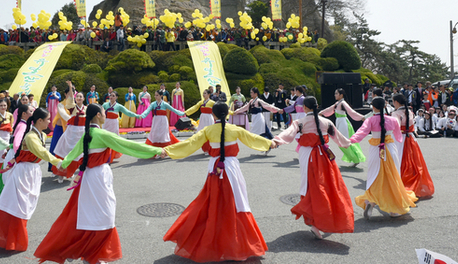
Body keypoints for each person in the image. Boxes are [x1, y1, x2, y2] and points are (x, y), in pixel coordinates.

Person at [34, 103, 162, 264]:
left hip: (88, 178)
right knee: (104, 217)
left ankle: (86, 253)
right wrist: (156, 150)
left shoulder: (87, 134)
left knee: (90, 217)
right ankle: (91, 254)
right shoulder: (102, 134)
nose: (105, 114)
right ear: (98, 116)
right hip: (99, 178)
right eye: (103, 112)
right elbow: (129, 146)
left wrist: (58, 163)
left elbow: (69, 158)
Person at [163, 102, 274, 261]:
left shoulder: (208, 130)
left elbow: (190, 144)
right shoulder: (234, 129)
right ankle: (239, 246)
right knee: (236, 204)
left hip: (215, 170)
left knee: (212, 203)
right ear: (227, 114)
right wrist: (270, 142)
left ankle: (211, 243)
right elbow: (253, 139)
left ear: (213, 115)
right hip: (232, 170)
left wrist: (167, 151)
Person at [0, 108, 62, 251]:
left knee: (25, 204)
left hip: (32, 171)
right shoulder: (31, 136)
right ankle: (15, 239)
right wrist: (58, 162)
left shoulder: (41, 135)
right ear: (39, 120)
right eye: (48, 119)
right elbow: (42, 152)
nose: (50, 121)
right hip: (23, 172)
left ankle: (9, 235)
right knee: (19, 206)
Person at [273, 96, 354, 239]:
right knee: (326, 185)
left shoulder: (300, 122)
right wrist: (350, 142)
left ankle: (314, 219)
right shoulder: (326, 122)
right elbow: (341, 139)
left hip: (307, 155)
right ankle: (322, 220)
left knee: (311, 186)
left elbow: (288, 134)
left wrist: (276, 141)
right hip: (324, 155)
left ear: (305, 107)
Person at [349, 97, 418, 218]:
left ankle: (371, 201)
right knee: (392, 176)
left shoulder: (370, 120)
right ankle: (394, 208)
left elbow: (360, 133)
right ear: (385, 105)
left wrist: (348, 141)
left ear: (373, 107)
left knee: (375, 175)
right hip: (390, 148)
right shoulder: (392, 119)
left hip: (376, 149)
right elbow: (398, 137)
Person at [0, 104, 33, 215]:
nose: (32, 113)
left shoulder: (23, 124)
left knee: (10, 182)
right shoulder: (23, 125)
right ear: (24, 114)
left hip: (14, 155)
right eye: (31, 111)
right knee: (9, 182)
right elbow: (16, 143)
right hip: (15, 156)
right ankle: (2, 208)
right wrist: (19, 155)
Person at [392, 94, 435, 199]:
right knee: (414, 162)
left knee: (400, 162)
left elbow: (396, 126)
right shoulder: (410, 112)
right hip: (411, 139)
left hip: (400, 139)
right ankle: (414, 184)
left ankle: (402, 185)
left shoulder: (396, 113)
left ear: (396, 102)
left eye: (393, 101)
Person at [319, 88, 367, 166]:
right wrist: (321, 113)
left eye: (336, 93)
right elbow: (329, 109)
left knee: (344, 142)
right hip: (339, 122)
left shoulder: (343, 103)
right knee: (341, 142)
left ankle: (356, 158)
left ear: (341, 95)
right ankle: (354, 158)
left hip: (343, 123)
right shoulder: (338, 103)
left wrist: (361, 117)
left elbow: (351, 112)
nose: (335, 95)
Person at [52, 81, 86, 181]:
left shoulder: (87, 108)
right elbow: (70, 98)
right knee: (65, 151)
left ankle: (71, 172)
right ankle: (61, 174)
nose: (79, 98)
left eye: (81, 96)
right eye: (77, 96)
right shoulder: (72, 106)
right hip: (71, 132)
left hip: (81, 133)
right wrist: (71, 88)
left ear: (84, 98)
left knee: (78, 153)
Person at [0, 99, 13, 170]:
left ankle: (4, 167)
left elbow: (11, 126)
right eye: (1, 105)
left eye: (4, 105)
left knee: (5, 151)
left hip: (7, 135)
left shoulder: (10, 115)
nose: (3, 107)